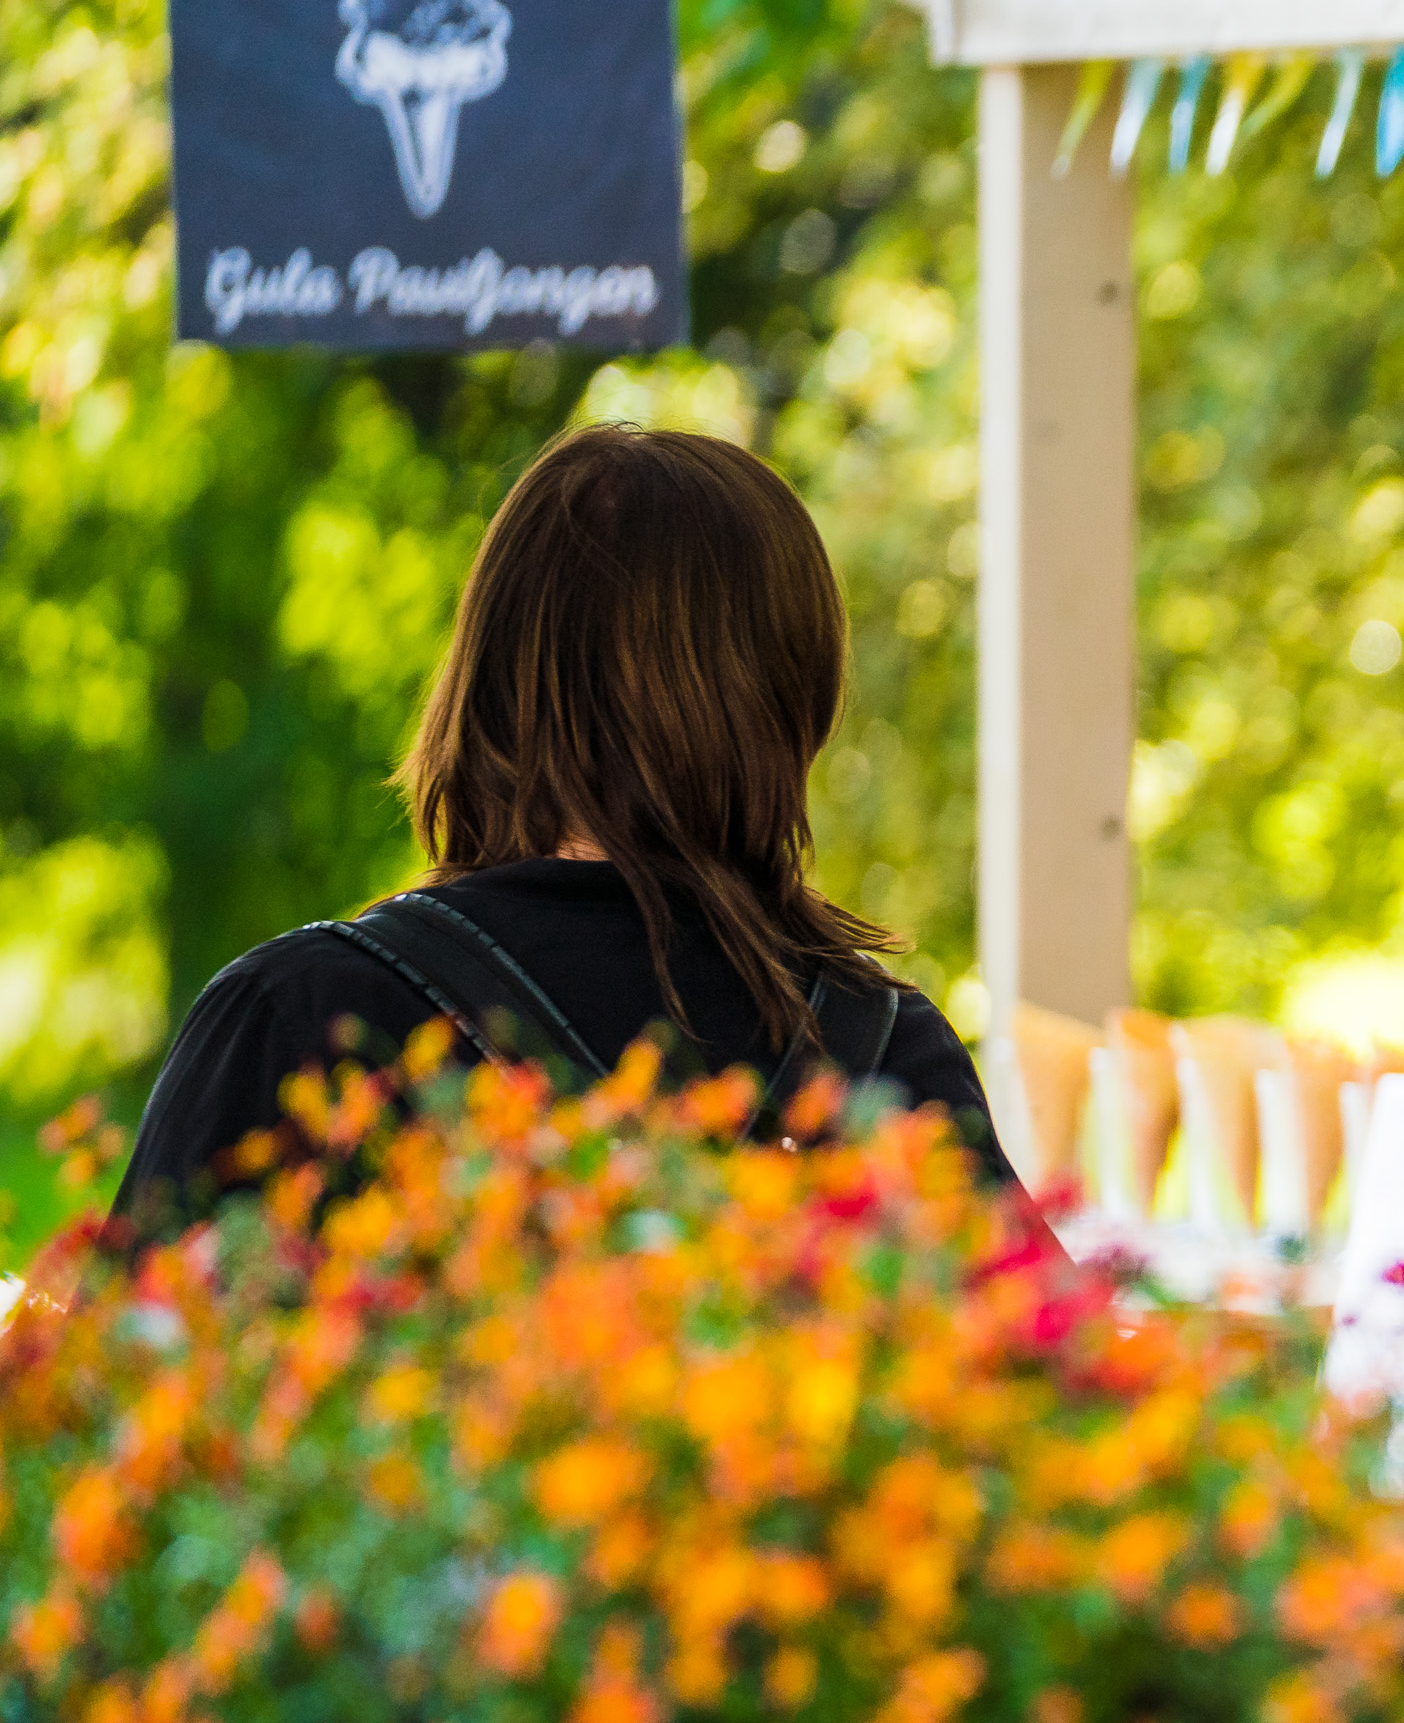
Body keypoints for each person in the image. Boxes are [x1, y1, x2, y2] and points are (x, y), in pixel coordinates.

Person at [116, 423, 1014, 1224]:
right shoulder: (882, 1052)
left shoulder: (300, 1018)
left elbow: (104, 1388)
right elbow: (1053, 1387)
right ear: (795, 699)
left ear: (490, 682)